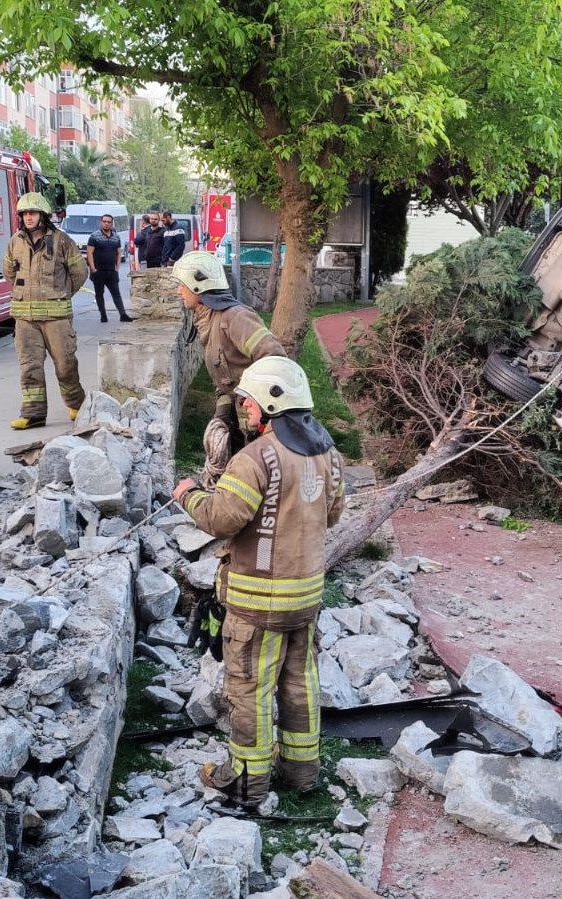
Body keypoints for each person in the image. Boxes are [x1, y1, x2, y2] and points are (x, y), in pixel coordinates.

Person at [172, 356, 346, 808]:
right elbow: (333, 514)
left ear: (271, 403)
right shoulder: (328, 452)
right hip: (305, 597)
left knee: (249, 688)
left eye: (248, 403)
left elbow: (223, 518)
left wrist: (188, 493)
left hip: (257, 604)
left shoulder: (255, 458)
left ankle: (247, 783)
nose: (245, 411)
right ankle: (302, 772)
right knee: (299, 682)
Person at [171, 250, 286, 477]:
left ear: (198, 286)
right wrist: (223, 412)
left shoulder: (235, 318)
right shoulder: (209, 319)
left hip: (259, 420)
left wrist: (255, 407)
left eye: (182, 285)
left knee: (256, 477)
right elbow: (225, 378)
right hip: (240, 416)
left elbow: (275, 359)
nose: (178, 291)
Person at [2, 192, 86, 430]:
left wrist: (61, 293)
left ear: (43, 216)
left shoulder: (62, 241)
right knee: (29, 367)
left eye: (33, 213)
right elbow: (9, 272)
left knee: (65, 364)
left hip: (56, 317)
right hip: (25, 318)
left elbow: (80, 273)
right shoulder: (15, 242)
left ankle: (76, 405)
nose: (28, 217)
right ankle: (33, 414)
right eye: (25, 214)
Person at [85, 213, 133, 323]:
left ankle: (123, 314)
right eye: (104, 221)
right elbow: (89, 253)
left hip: (111, 271)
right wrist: (93, 268)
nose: (107, 224)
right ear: (101, 222)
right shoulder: (94, 236)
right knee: (99, 293)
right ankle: (103, 315)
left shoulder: (116, 237)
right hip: (98, 271)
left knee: (116, 293)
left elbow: (118, 253)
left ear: (112, 223)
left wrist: (117, 268)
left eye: (109, 222)